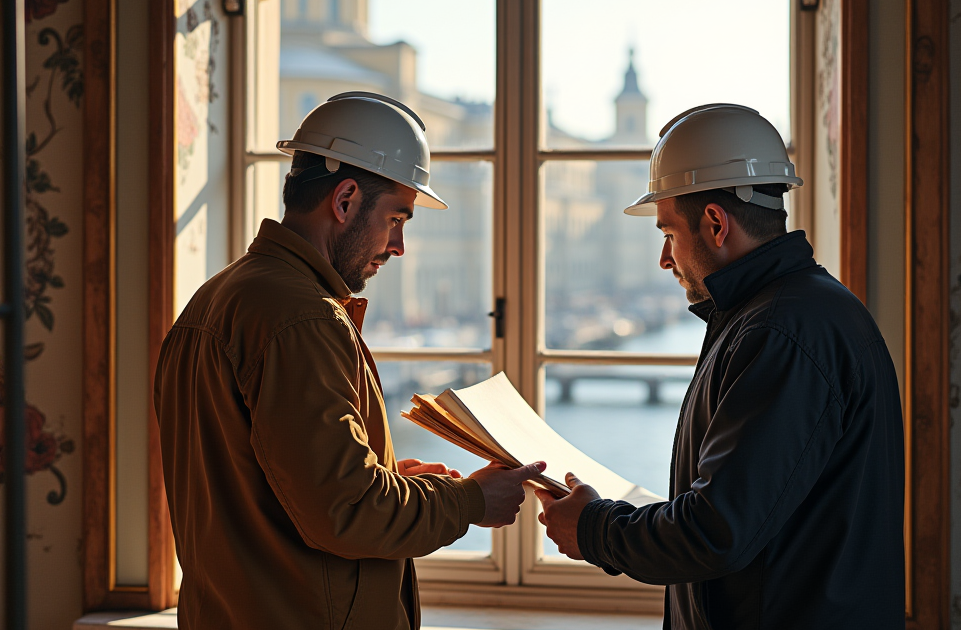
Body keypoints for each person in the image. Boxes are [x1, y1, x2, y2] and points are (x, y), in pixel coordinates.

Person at [155, 92, 544, 630]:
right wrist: (469, 501)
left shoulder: (215, 298)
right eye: (396, 218)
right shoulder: (304, 318)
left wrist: (390, 479)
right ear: (344, 200)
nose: (399, 245)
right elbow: (348, 514)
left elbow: (273, 487)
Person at [536, 104, 905, 630]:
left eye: (668, 233)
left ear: (714, 223)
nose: (665, 259)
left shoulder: (779, 332)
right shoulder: (796, 313)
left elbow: (717, 531)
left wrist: (594, 529)